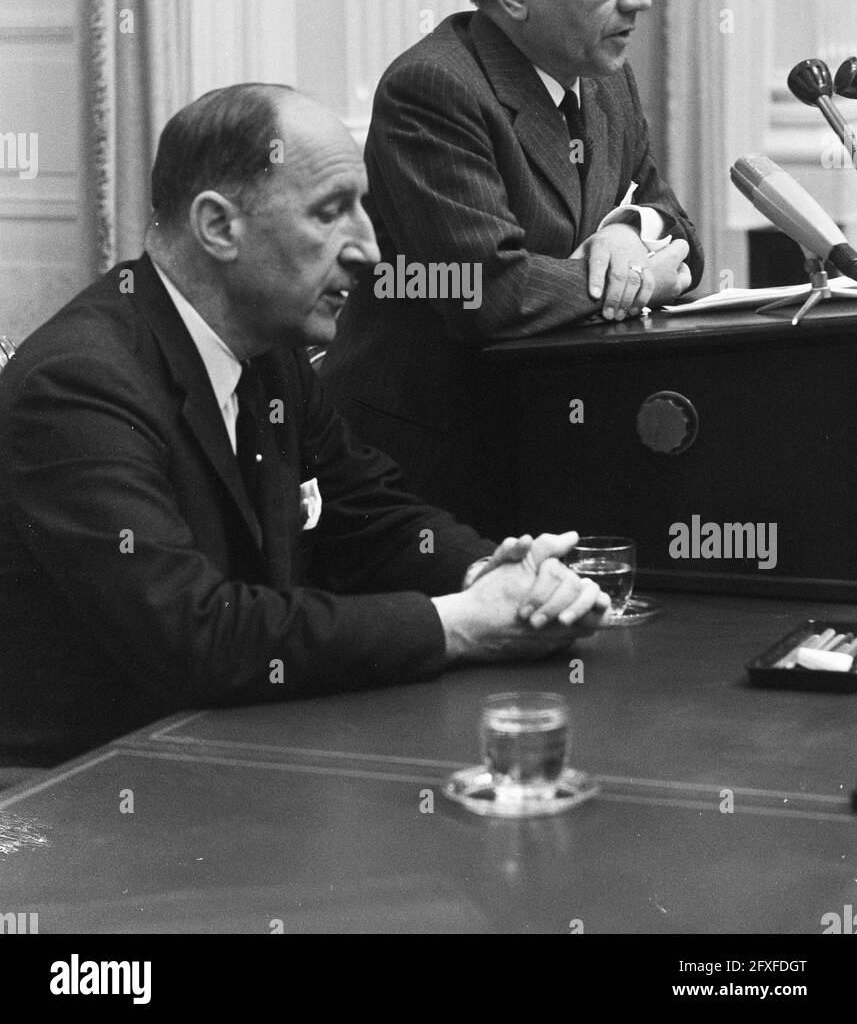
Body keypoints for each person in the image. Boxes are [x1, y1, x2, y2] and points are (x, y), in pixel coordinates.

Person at [0, 84, 608, 768]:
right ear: (218, 227)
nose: (370, 251)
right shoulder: (79, 385)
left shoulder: (271, 355)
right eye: (330, 214)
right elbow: (196, 636)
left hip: (223, 751)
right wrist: (464, 624)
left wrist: (489, 572)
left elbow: (370, 516)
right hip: (79, 797)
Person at [321, 0, 705, 519]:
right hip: (426, 467)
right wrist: (644, 278)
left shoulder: (603, 77)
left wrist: (626, 232)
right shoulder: (433, 88)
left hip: (552, 439)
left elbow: (677, 229)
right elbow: (484, 291)